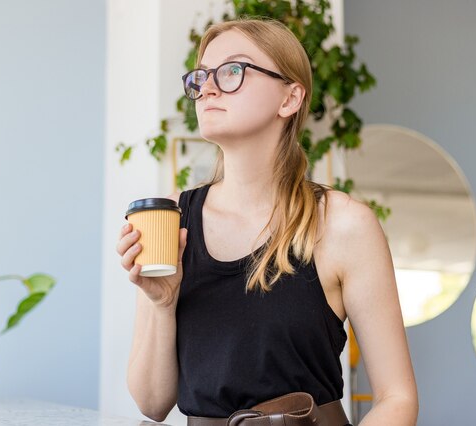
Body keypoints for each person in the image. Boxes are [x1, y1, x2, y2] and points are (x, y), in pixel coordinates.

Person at [117, 17, 418, 425]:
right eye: (201, 76)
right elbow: (152, 404)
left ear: (290, 97)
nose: (206, 87)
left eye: (232, 71)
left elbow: (397, 398)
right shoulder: (169, 219)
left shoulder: (344, 225)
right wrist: (162, 303)